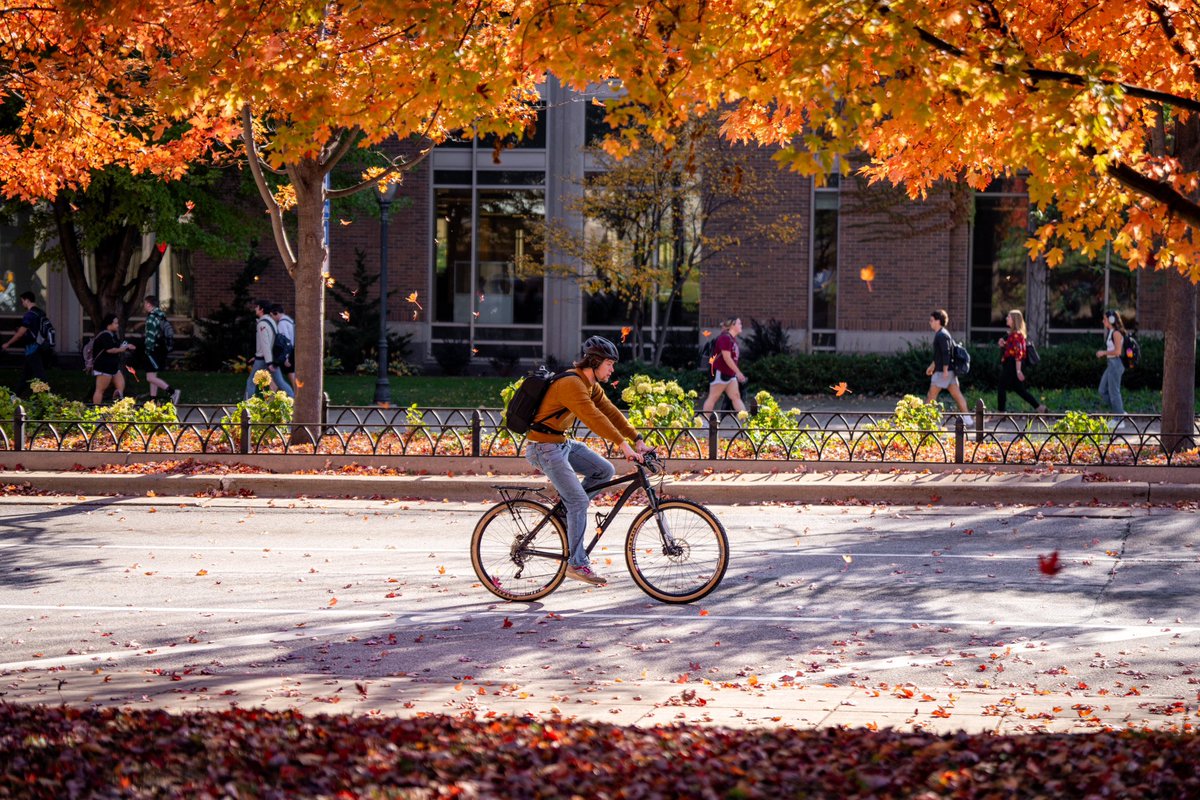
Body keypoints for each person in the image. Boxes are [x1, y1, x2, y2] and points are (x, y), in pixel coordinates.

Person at [524, 335, 652, 586]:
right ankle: (577, 563)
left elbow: (610, 412)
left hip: (560, 443)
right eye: (609, 364)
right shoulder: (572, 384)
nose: (612, 369)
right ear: (594, 362)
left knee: (604, 470)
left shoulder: (590, 384)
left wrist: (637, 438)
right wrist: (622, 444)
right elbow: (593, 417)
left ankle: (567, 512)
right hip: (544, 447)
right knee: (579, 501)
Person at [996, 309, 1047, 413]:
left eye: (1009, 317)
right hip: (1012, 363)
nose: (1007, 318)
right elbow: (1012, 349)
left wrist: (1018, 370)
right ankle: (1039, 408)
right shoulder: (1013, 334)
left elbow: (1018, 353)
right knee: (1019, 389)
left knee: (1001, 386)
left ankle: (1001, 413)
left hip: (1013, 363)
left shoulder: (1017, 335)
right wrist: (1003, 344)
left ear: (1014, 320)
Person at [244, 299, 294, 399]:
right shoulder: (271, 321)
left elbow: (265, 344)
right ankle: (294, 400)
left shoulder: (262, 324)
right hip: (271, 358)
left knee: (251, 382)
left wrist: (269, 362)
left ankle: (247, 407)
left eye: (257, 307)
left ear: (261, 309)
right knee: (280, 382)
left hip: (264, 359)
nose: (255, 309)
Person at [701, 317, 748, 419]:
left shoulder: (732, 339)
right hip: (720, 373)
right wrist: (738, 372)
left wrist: (735, 372)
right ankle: (704, 423)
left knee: (736, 397)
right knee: (713, 397)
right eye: (739, 324)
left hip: (730, 374)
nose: (741, 326)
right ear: (732, 325)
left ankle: (747, 424)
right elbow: (727, 358)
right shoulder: (725, 338)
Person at [925, 309, 969, 415]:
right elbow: (939, 355)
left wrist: (944, 370)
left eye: (931, 320)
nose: (930, 323)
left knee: (931, 395)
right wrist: (932, 366)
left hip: (942, 372)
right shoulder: (943, 334)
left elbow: (946, 353)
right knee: (958, 396)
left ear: (938, 321)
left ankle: (924, 422)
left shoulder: (941, 335)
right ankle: (968, 420)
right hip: (948, 371)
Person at [139, 295, 181, 405]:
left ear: (148, 304)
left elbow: (150, 336)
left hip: (153, 350)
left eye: (145, 303)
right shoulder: (160, 315)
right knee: (153, 376)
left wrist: (147, 349)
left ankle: (172, 392)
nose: (144, 306)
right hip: (160, 349)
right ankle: (152, 401)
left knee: (149, 378)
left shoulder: (151, 318)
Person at [3, 291, 48, 392]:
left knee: (39, 375)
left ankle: (48, 399)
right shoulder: (41, 313)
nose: (22, 303)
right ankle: (15, 396)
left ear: (27, 300)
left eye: (22, 301)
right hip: (41, 346)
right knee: (26, 375)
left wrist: (8, 343)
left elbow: (20, 333)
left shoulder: (29, 315)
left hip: (32, 348)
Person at [91, 313, 135, 405]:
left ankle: (117, 400)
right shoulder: (104, 335)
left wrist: (127, 346)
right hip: (104, 367)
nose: (117, 325)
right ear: (109, 324)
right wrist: (122, 349)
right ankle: (96, 410)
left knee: (120, 385)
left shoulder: (112, 335)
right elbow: (110, 350)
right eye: (115, 323)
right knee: (100, 390)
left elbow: (118, 345)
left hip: (113, 367)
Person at [1097, 309, 1126, 418]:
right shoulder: (1110, 332)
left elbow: (1118, 352)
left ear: (1111, 320)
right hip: (1111, 364)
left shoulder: (1116, 333)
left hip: (1116, 364)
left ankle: (1119, 419)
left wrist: (1103, 352)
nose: (1103, 321)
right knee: (1102, 390)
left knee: (1114, 393)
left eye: (1104, 319)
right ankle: (1120, 411)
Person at [270, 303, 295, 376]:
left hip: (288, 352)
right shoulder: (289, 320)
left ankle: (296, 388)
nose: (272, 318)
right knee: (290, 373)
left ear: (276, 313)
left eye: (272, 315)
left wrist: (286, 357)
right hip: (292, 350)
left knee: (290, 373)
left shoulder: (282, 323)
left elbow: (286, 341)